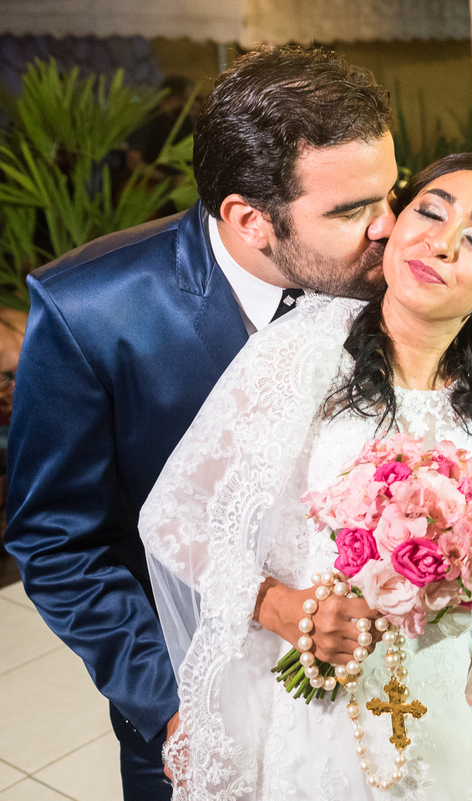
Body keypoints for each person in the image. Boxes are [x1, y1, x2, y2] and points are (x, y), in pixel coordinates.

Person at [4, 45, 398, 800]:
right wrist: (170, 706)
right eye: (350, 210)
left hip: (368, 711)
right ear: (250, 219)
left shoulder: (391, 278)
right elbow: (56, 543)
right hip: (194, 698)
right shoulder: (90, 313)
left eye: (389, 192)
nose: (389, 227)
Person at [139, 152, 472, 799]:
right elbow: (171, 516)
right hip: (300, 696)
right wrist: (284, 607)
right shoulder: (303, 353)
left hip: (430, 690)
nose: (441, 243)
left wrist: (433, 606)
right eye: (430, 213)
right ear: (397, 223)